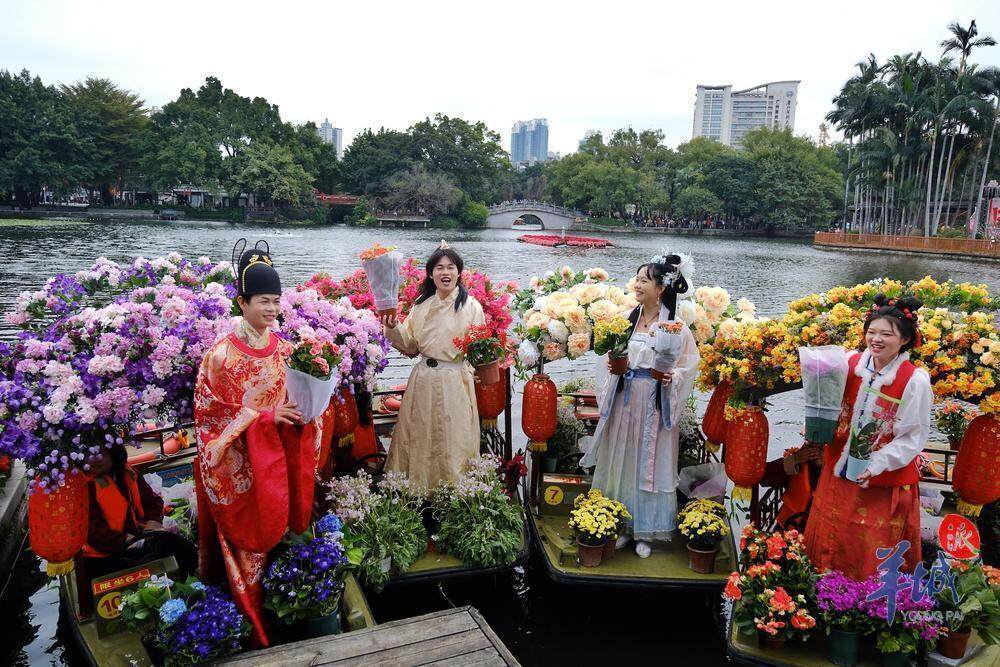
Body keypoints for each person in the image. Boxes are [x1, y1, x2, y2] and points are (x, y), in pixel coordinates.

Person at [193, 239, 315, 648]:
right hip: (239, 464)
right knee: (247, 543)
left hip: (275, 457)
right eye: (264, 300)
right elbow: (209, 415)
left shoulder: (285, 349)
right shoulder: (219, 356)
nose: (272, 309)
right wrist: (263, 418)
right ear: (241, 302)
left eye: (276, 301)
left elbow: (295, 399)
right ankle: (247, 617)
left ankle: (281, 607)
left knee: (283, 525)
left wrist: (307, 411)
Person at [804, 294, 932, 580]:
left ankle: (866, 609)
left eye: (887, 334)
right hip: (838, 475)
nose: (876, 339)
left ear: (906, 340)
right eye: (871, 332)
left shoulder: (915, 380)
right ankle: (822, 597)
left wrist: (876, 463)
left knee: (870, 548)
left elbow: (912, 438)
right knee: (830, 536)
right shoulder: (848, 363)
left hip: (881, 483)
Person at [581, 253, 700, 558]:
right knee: (623, 456)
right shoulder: (625, 321)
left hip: (655, 402)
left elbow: (689, 364)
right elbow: (606, 357)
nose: (637, 284)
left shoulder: (674, 327)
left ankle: (644, 530)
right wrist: (612, 367)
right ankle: (619, 524)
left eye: (644, 280)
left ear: (661, 288)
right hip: (624, 397)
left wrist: (673, 375)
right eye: (637, 278)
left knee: (649, 461)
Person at [381, 242, 485, 488]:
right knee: (420, 435)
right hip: (424, 379)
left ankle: (454, 492)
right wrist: (393, 326)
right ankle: (417, 490)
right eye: (439, 268)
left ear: (459, 272)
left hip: (455, 379)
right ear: (431, 273)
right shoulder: (421, 305)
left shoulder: (472, 307)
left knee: (453, 437)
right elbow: (410, 345)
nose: (445, 273)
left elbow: (480, 348)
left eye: (451, 267)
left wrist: (478, 369)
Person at [759, 443, 824, 531]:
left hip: (818, 535)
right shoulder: (800, 463)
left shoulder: (841, 474)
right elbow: (762, 476)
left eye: (823, 448)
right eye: (815, 447)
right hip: (786, 529)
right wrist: (794, 459)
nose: (818, 451)